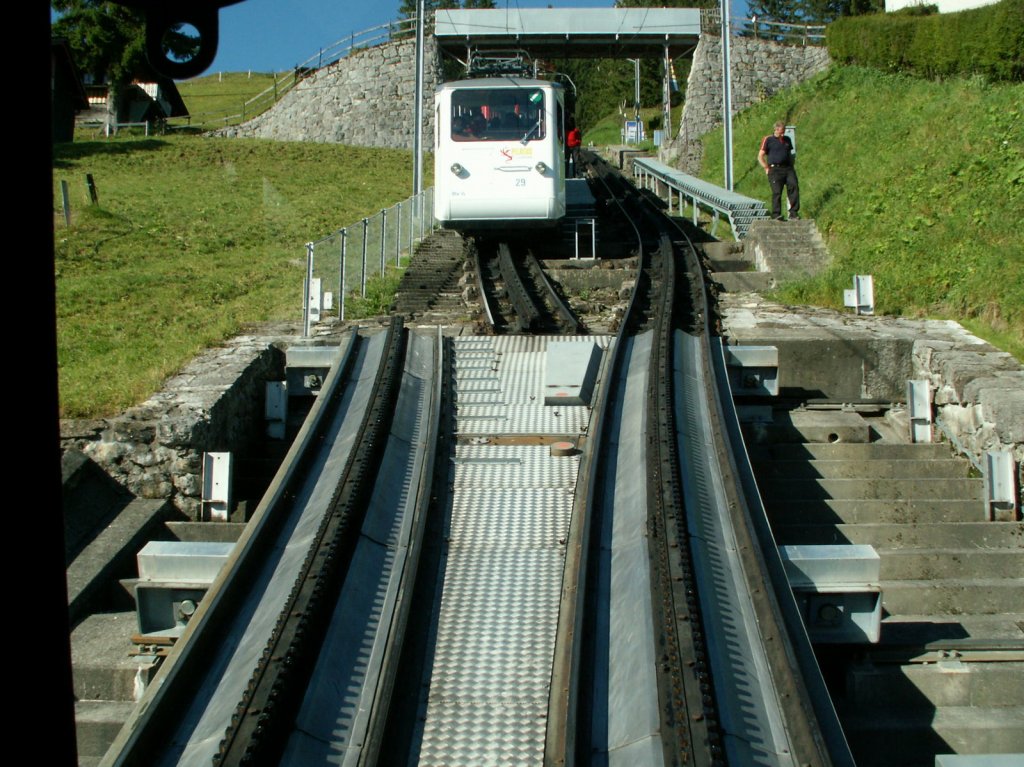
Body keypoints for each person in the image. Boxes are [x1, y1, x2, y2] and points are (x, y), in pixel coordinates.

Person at [758, 121, 800, 220]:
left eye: (784, 131)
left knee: (794, 187)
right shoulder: (768, 139)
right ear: (776, 130)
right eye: (781, 131)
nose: (783, 134)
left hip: (788, 168)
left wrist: (791, 165)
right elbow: (760, 156)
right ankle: (776, 214)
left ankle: (793, 212)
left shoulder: (787, 140)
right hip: (775, 169)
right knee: (777, 191)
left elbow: (790, 154)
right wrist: (766, 167)